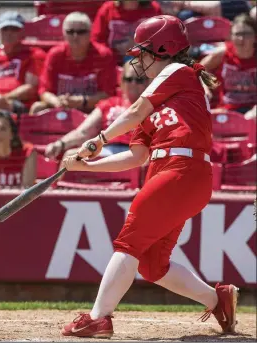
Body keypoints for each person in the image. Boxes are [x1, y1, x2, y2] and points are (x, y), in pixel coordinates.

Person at [60, 15, 238, 338]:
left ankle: (99, 317)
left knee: (128, 241)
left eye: (143, 51)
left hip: (183, 169)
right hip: (170, 173)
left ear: (163, 49)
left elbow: (133, 112)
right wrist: (84, 167)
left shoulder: (178, 72)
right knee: (153, 265)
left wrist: (98, 141)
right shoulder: (161, 101)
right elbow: (136, 157)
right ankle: (218, 300)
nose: (138, 59)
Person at [44, 61, 149, 164]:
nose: (133, 83)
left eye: (139, 80)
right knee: (70, 157)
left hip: (134, 153)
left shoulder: (151, 106)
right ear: (121, 81)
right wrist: (60, 144)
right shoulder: (109, 104)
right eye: (129, 79)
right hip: (106, 150)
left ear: (148, 82)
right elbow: (83, 132)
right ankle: (54, 182)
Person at [31, 11, 117, 114]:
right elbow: (44, 91)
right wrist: (56, 102)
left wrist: (81, 101)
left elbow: (108, 94)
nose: (75, 36)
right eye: (70, 32)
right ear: (64, 34)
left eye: (81, 32)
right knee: (37, 108)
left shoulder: (104, 55)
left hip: (92, 109)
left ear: (90, 33)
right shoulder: (55, 55)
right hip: (61, 106)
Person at [201, 13, 256, 118]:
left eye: (246, 34)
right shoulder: (223, 53)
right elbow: (199, 69)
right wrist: (205, 87)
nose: (241, 39)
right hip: (228, 110)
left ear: (255, 37)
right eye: (237, 34)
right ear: (231, 36)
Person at [91, 0, 162, 65]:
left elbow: (161, 40)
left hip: (147, 64)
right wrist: (110, 57)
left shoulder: (153, 9)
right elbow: (96, 40)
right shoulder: (108, 9)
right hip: (114, 64)